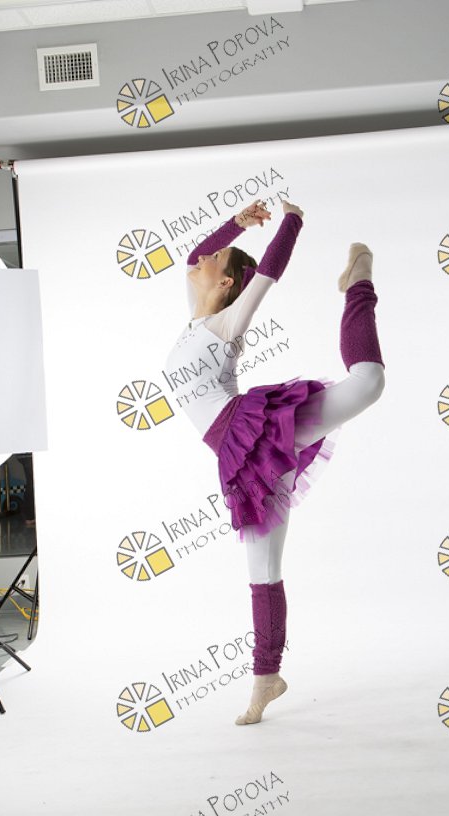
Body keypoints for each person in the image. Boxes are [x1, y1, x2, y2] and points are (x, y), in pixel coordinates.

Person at [165, 200, 385, 725]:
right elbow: (195, 256)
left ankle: (359, 280)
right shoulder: (196, 315)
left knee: (368, 383)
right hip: (243, 460)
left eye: (215, 260)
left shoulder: (226, 323)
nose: (203, 259)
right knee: (262, 572)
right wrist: (235, 225)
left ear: (226, 283)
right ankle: (268, 676)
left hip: (257, 427)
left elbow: (266, 273)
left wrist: (292, 222)